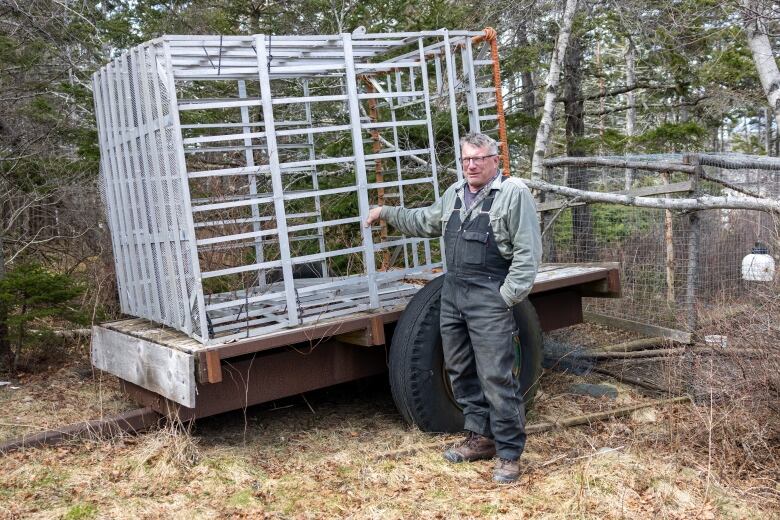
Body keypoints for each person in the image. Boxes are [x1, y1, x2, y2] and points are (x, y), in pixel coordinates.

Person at [365, 132, 541, 484]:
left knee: (496, 376)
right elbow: (425, 221)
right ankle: (480, 438)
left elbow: (528, 253)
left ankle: (509, 453)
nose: (471, 165)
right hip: (453, 294)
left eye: (478, 158)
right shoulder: (455, 195)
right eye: (466, 159)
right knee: (460, 370)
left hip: (489, 296)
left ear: (496, 159)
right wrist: (386, 212)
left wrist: (506, 297)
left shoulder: (513, 195)